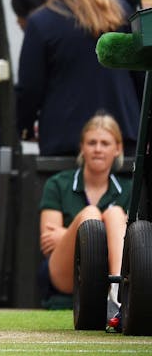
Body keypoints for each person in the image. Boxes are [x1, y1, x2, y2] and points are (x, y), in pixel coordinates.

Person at [16, 0, 139, 157]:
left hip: (66, 138)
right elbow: (140, 75)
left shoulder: (41, 22)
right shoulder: (121, 9)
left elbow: (30, 87)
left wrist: (25, 128)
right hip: (122, 134)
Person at [39, 113, 130, 302]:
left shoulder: (129, 189)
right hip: (67, 273)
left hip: (110, 272)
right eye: (91, 143)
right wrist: (109, 238)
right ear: (82, 147)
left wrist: (63, 235)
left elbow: (134, 246)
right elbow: (48, 245)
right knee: (91, 213)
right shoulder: (58, 184)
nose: (98, 149)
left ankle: (117, 296)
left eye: (105, 143)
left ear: (117, 149)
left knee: (114, 214)